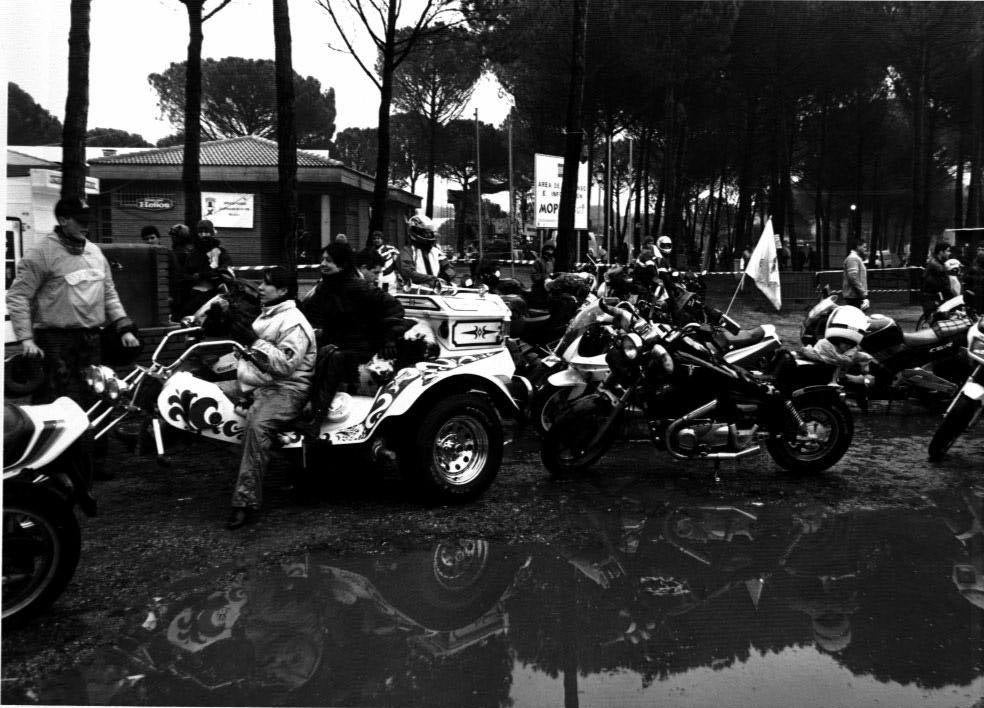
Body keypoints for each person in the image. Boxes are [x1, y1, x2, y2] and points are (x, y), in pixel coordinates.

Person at [6, 196, 141, 405]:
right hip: (55, 341)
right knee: (54, 398)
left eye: (88, 220)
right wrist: (26, 340)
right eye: (80, 220)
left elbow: (109, 292)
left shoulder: (95, 253)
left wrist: (124, 327)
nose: (86, 226)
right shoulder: (40, 254)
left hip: (91, 339)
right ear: (63, 220)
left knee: (94, 395)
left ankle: (91, 437)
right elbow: (18, 296)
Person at [224, 266, 316, 529]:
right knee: (204, 389)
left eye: (267, 284)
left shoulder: (294, 321)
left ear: (284, 290)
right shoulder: (270, 314)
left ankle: (245, 501)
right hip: (258, 384)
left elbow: (285, 364)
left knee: (257, 426)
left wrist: (252, 341)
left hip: (287, 389)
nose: (260, 288)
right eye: (261, 284)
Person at [300, 243, 407, 437]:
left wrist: (389, 339)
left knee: (333, 357)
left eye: (328, 261)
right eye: (322, 259)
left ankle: (317, 419)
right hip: (337, 342)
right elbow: (307, 313)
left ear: (341, 265)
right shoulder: (324, 288)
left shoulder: (360, 287)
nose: (323, 264)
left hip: (360, 347)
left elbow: (395, 309)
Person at [398, 214, 454, 287]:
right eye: (425, 232)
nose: (429, 235)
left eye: (430, 232)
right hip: (416, 293)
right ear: (415, 232)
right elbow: (408, 272)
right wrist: (431, 279)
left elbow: (448, 267)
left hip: (437, 290)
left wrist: (446, 278)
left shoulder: (435, 251)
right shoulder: (407, 251)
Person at [167, 223, 197, 316]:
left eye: (174, 236)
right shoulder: (191, 250)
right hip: (188, 289)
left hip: (182, 290)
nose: (172, 238)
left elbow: (177, 272)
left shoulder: (179, 252)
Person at [921, 241, 952, 314]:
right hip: (932, 299)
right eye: (947, 251)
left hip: (933, 297)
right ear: (941, 252)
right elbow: (942, 284)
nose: (949, 253)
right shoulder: (937, 266)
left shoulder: (938, 263)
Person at [841, 240, 869, 310]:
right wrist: (862, 292)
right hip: (853, 296)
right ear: (858, 247)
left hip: (855, 295)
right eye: (864, 247)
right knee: (856, 319)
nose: (865, 249)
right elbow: (853, 278)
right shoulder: (853, 258)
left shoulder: (855, 258)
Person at [964, 243, 984, 314]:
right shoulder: (974, 264)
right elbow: (967, 280)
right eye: (979, 249)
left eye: (983, 250)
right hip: (975, 298)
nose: (980, 252)